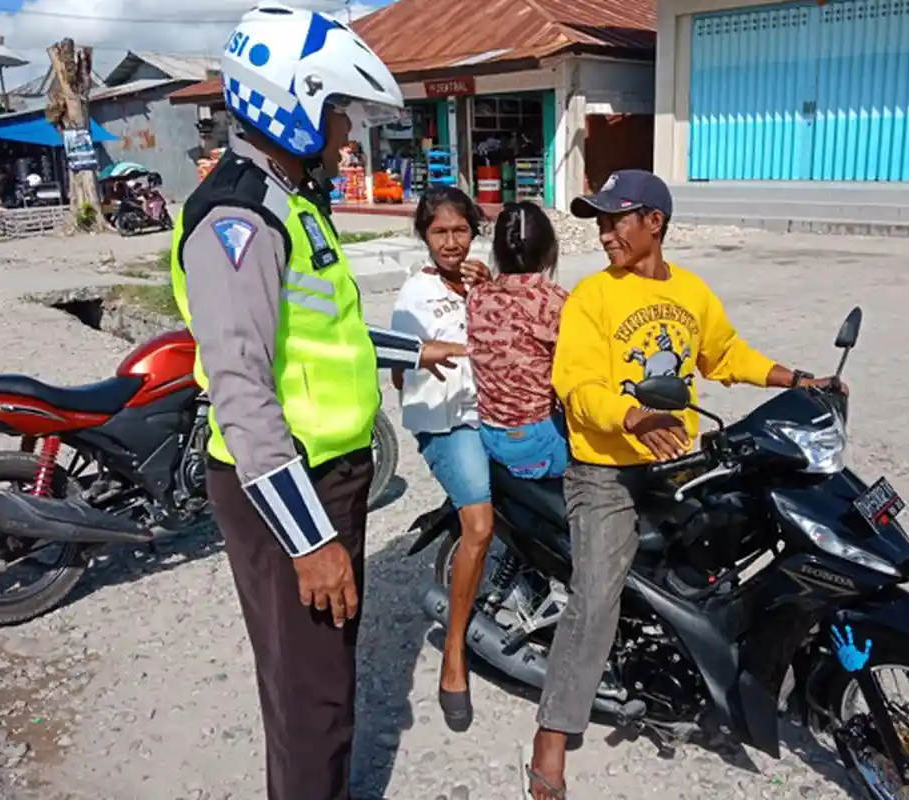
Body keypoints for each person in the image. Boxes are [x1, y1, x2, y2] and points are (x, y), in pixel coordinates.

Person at [168, 5, 465, 799]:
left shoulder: (291, 200)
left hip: (326, 474)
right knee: (315, 704)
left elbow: (324, 332)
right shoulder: (240, 218)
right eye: (336, 114)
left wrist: (416, 348)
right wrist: (309, 541)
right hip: (287, 489)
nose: (346, 137)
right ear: (290, 104)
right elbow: (241, 390)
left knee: (321, 681)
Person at [523, 170, 845, 799]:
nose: (605, 230)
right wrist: (633, 416)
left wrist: (796, 380)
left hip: (676, 464)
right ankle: (552, 735)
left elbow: (724, 355)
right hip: (606, 472)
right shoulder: (592, 297)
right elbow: (577, 386)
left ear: (655, 223)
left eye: (617, 218)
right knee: (594, 600)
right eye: (598, 219)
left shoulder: (692, 293)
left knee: (740, 544)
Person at [389, 186, 491, 732]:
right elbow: (400, 367)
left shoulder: (480, 280)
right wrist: (425, 355)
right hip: (448, 425)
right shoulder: (415, 294)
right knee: (478, 524)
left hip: (492, 416)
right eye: (439, 232)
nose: (452, 242)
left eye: (460, 230)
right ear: (424, 237)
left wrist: (491, 293)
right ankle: (454, 655)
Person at [468, 201, 570, 479]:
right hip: (538, 439)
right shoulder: (557, 302)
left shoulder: (477, 296)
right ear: (549, 251)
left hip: (490, 434)